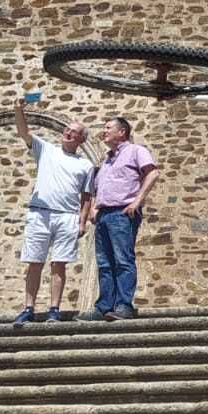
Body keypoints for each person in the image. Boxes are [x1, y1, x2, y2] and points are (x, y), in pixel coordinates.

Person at [12, 98, 94, 327]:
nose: (68, 132)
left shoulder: (85, 165)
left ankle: (54, 309)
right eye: (67, 129)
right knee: (34, 262)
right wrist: (19, 110)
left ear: (81, 139)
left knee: (59, 264)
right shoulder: (45, 149)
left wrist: (82, 222)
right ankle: (28, 308)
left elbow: (87, 196)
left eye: (74, 131)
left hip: (67, 217)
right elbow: (23, 132)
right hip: (40, 214)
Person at [82, 115, 158, 321]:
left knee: (123, 260)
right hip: (104, 215)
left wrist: (136, 201)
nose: (104, 131)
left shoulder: (136, 151)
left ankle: (124, 305)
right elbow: (100, 187)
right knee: (104, 263)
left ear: (121, 132)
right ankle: (104, 306)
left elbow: (152, 174)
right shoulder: (106, 160)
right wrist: (95, 208)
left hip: (123, 213)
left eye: (108, 127)